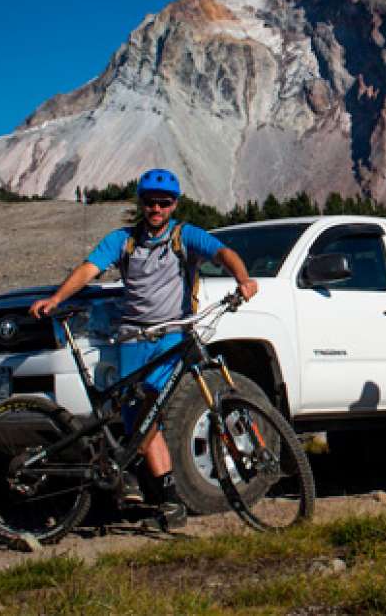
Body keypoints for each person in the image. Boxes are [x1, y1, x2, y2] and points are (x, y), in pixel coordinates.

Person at [30, 168, 258, 529]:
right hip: (132, 338)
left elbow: (225, 253)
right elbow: (90, 269)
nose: (156, 209)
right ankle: (161, 497)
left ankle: (153, 491)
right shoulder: (123, 240)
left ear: (174, 205)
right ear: (142, 203)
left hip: (172, 335)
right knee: (139, 419)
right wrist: (57, 297)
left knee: (154, 410)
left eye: (163, 203)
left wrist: (243, 279)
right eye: (150, 202)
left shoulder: (186, 236)